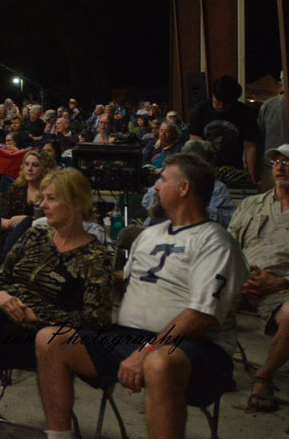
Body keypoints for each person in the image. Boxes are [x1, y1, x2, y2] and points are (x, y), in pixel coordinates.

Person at [34, 153, 248, 439]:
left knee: (159, 363)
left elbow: (201, 315)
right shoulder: (149, 235)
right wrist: (87, 275)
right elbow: (127, 280)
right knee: (50, 340)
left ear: (184, 188)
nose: (156, 187)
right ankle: (59, 436)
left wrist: (147, 351)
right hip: (129, 337)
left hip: (195, 347)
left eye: (163, 180)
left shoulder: (215, 242)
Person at [0, 168, 115, 439]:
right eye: (43, 198)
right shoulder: (35, 236)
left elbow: (96, 320)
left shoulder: (95, 257)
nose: (43, 205)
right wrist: (2, 295)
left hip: (41, 341)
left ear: (77, 204)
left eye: (51, 199)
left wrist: (37, 316)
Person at [228, 142, 289, 411]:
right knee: (190, 295)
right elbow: (228, 243)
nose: (280, 167)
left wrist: (281, 282)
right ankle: (210, 366)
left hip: (281, 287)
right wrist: (237, 272)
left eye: (287, 162)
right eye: (276, 162)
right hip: (241, 277)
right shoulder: (251, 204)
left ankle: (264, 376)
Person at [188, 74, 260, 185]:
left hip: (234, 171)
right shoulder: (201, 110)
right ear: (213, 95)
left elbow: (250, 146)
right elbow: (195, 143)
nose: (221, 106)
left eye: (226, 104)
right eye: (217, 102)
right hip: (205, 168)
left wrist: (252, 176)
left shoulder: (245, 113)